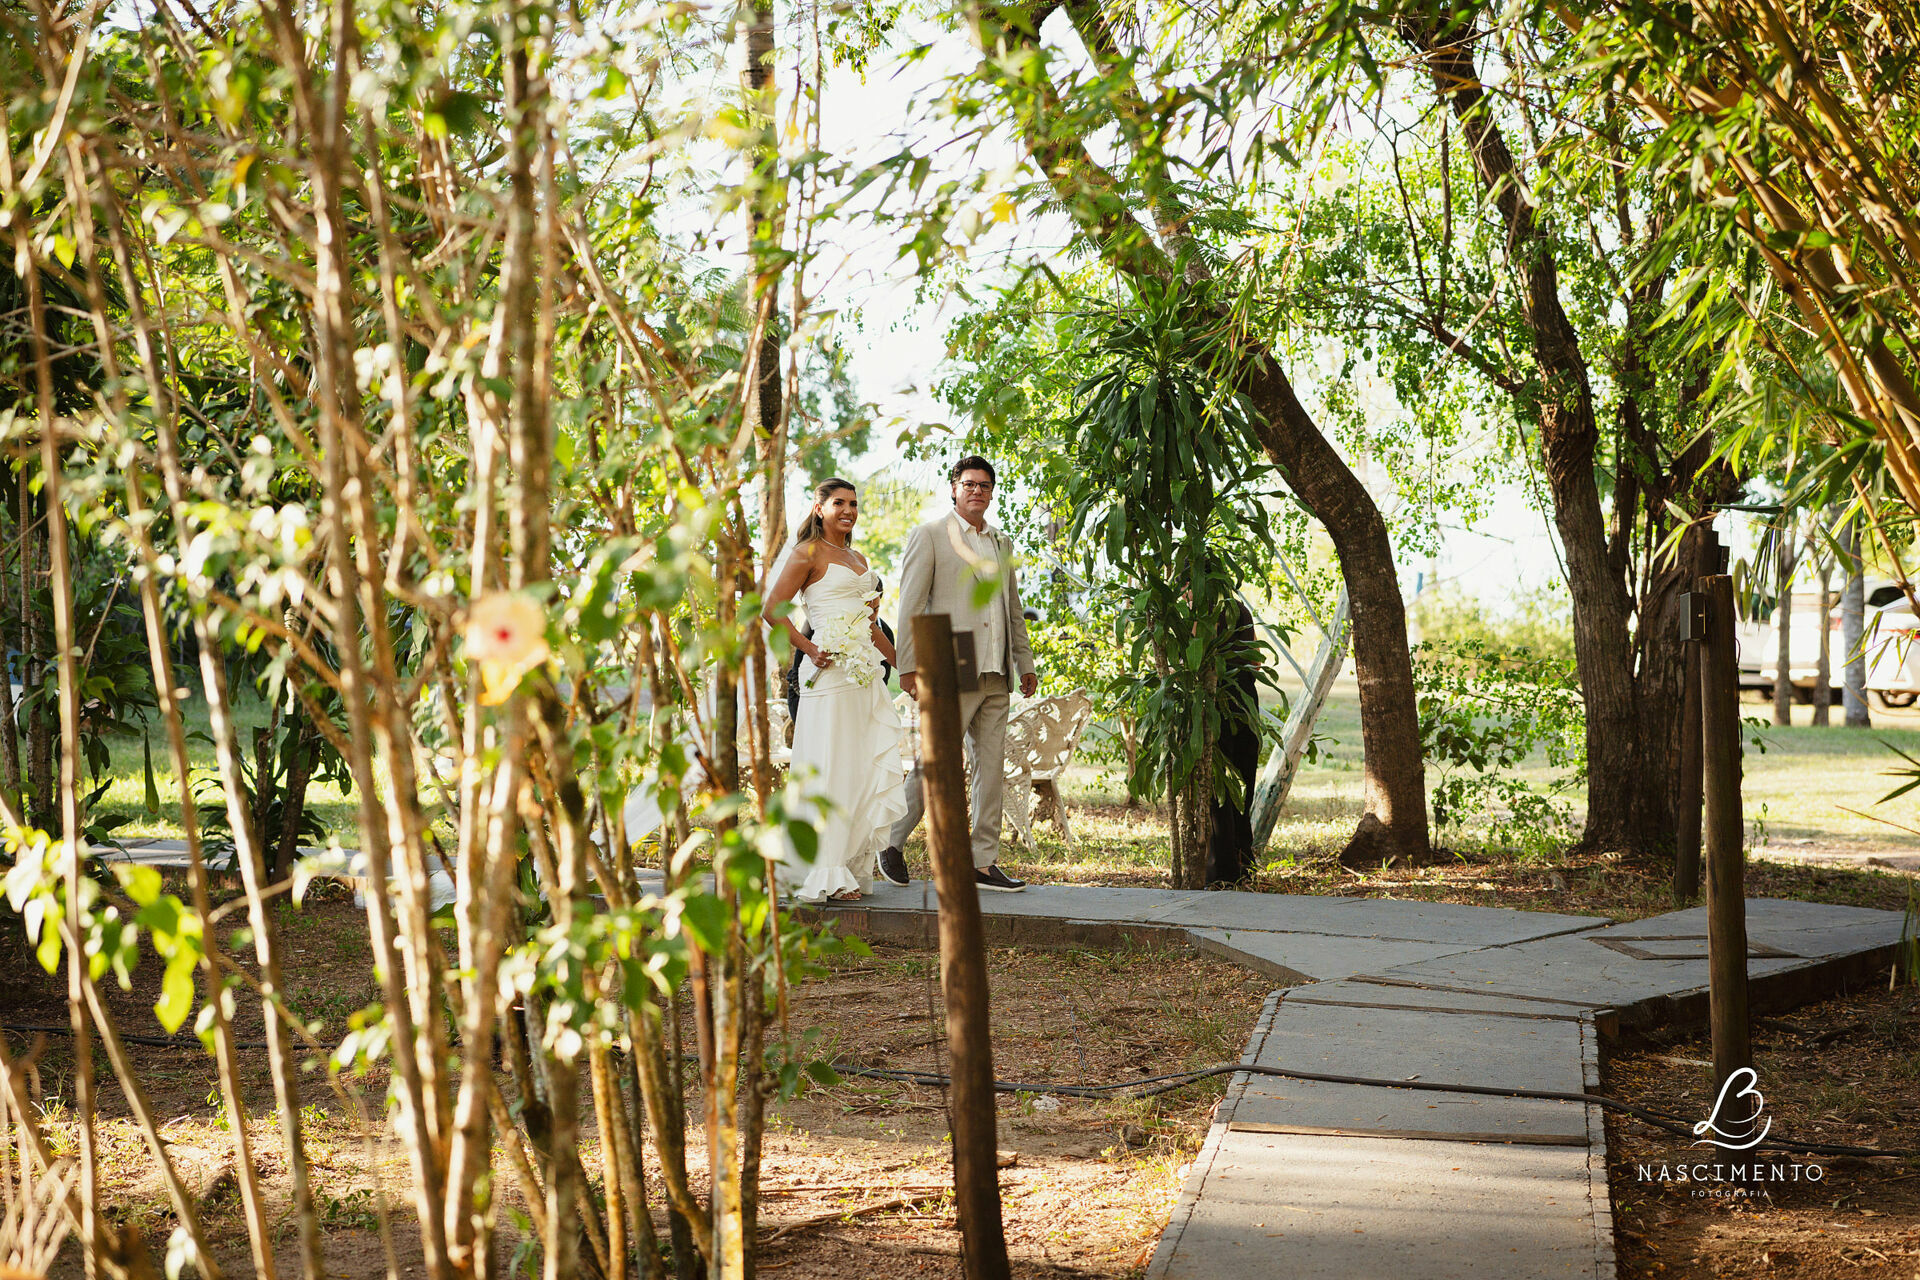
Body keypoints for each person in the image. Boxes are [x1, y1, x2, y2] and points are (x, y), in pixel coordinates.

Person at [877, 457, 1037, 893]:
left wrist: (1024, 663)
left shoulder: (1001, 542)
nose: (977, 491)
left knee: (991, 769)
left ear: (992, 492)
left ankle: (982, 863)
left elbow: (1012, 609)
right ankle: (889, 841)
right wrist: (908, 667)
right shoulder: (930, 535)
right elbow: (910, 606)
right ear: (954, 488)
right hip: (952, 666)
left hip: (997, 671)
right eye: (969, 484)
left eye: (984, 485)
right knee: (937, 762)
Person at [762, 478, 906, 902]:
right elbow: (772, 610)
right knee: (829, 767)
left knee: (859, 768)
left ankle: (850, 864)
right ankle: (823, 870)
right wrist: (809, 648)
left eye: (854, 504)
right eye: (839, 502)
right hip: (827, 676)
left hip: (863, 677)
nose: (848, 510)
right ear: (819, 508)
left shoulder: (858, 558)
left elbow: (872, 627)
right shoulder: (806, 553)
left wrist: (906, 666)